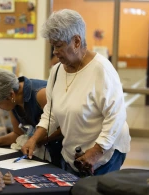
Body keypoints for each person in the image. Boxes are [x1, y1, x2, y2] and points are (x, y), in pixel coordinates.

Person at [22, 9, 130, 177]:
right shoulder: (56, 71)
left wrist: (96, 151)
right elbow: (51, 113)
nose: (55, 52)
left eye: (58, 46)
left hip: (104, 154)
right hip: (73, 154)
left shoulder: (101, 70)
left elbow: (116, 117)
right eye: (53, 46)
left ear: (77, 41)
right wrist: (34, 139)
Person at [0, 69, 62, 161]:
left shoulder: (41, 95)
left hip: (63, 151)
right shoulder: (12, 101)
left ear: (11, 95)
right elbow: (18, 133)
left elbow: (64, 128)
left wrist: (36, 139)